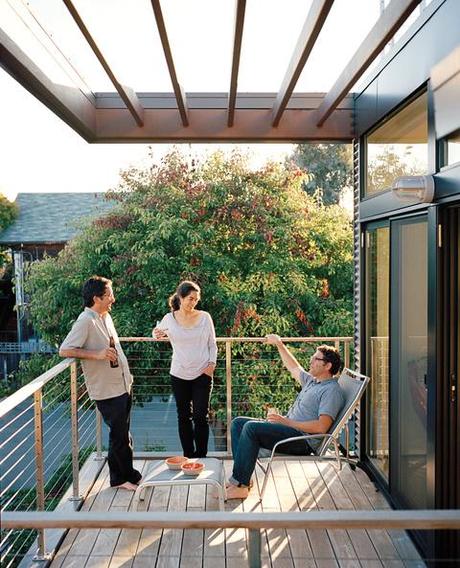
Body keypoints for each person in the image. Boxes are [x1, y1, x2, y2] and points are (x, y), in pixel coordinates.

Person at [226, 334, 345, 500]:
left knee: (251, 428)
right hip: (289, 430)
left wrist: (286, 421)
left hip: (302, 441)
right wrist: (279, 344)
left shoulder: (331, 391)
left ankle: (240, 485)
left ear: (328, 365)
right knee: (238, 423)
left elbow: (321, 427)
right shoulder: (313, 381)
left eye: (315, 359)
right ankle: (242, 479)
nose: (310, 361)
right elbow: (293, 367)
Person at [59, 276, 141, 491]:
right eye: (109, 295)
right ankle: (119, 479)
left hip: (122, 384)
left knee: (123, 434)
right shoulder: (85, 320)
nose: (113, 298)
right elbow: (65, 349)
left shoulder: (105, 316)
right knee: (119, 435)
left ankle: (128, 474)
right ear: (96, 298)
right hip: (106, 389)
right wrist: (97, 354)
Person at [153, 280, 217, 458]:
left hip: (202, 374)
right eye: (190, 298)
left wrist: (211, 366)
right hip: (179, 374)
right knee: (184, 417)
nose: (193, 302)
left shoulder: (205, 317)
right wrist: (156, 334)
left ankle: (201, 457)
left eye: (196, 299)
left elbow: (213, 344)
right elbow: (156, 332)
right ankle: (188, 456)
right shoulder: (169, 318)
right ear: (180, 298)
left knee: (200, 417)